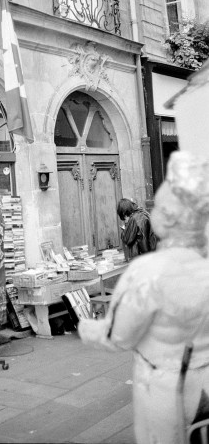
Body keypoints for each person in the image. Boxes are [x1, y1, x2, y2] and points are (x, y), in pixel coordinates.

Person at [78, 150, 209, 444]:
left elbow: (118, 336)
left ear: (168, 218)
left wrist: (88, 328)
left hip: (165, 385)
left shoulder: (147, 273)